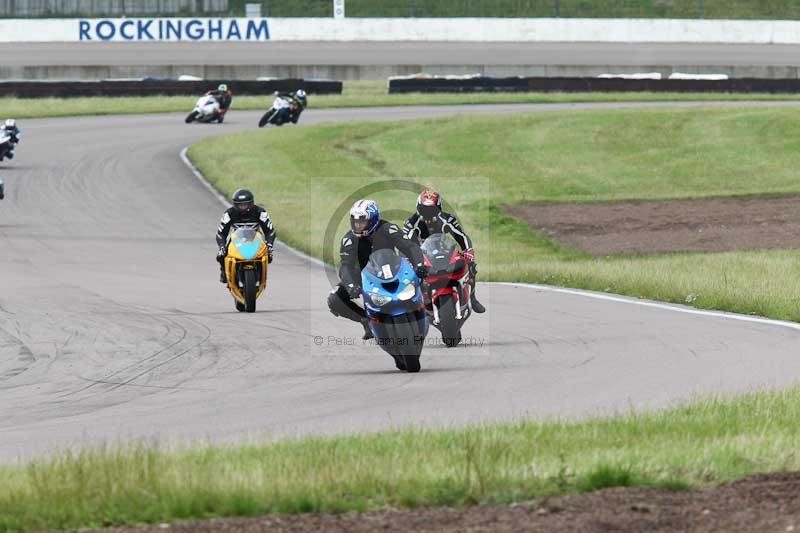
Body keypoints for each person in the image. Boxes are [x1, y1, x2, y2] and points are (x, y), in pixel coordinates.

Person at [328, 199, 429, 340]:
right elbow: (346, 266)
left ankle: (421, 308)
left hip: (393, 270)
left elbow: (409, 247)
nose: (358, 225)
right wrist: (351, 286)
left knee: (423, 278)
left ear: (372, 220)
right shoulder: (349, 240)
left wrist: (419, 265)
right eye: (355, 221)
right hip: (366, 276)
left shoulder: (388, 229)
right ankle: (365, 320)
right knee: (334, 299)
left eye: (362, 221)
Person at [404, 189, 485, 313]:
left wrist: (468, 251)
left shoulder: (448, 219)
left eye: (431, 211)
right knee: (408, 272)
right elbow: (405, 244)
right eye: (424, 210)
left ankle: (473, 299)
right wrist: (409, 260)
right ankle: (412, 305)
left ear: (439, 208)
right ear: (418, 208)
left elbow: (461, 236)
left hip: (443, 252)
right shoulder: (411, 223)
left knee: (470, 264)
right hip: (421, 255)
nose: (427, 215)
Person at [216, 188, 276, 284]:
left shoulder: (260, 212)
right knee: (221, 255)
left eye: (245, 205)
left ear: (251, 203)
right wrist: (222, 247)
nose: (242, 207)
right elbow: (221, 233)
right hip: (236, 240)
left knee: (269, 256)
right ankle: (224, 272)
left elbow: (270, 231)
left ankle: (261, 274)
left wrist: (269, 245)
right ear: (235, 204)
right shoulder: (229, 214)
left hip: (256, 239)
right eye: (240, 205)